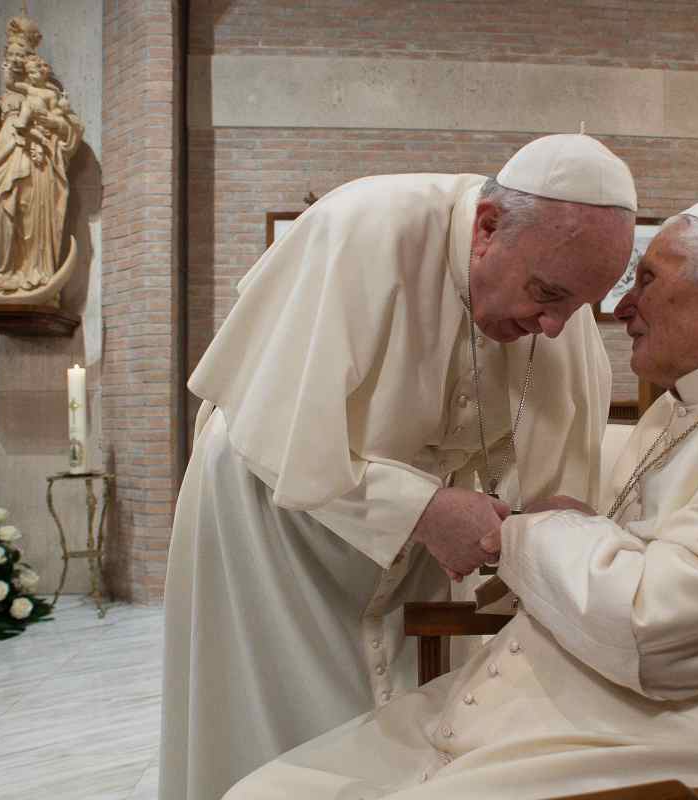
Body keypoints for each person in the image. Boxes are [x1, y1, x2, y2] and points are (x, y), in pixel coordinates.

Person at [223, 195, 698, 799]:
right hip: (573, 710)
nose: (620, 306)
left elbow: (656, 624)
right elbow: (619, 550)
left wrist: (515, 534)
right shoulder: (681, 406)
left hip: (687, 741)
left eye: (645, 278)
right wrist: (576, 530)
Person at [160, 135, 638, 800]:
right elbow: (275, 428)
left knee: (400, 729)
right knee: (277, 725)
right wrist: (425, 508)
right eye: (547, 294)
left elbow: (557, 467)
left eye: (578, 307)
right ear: (488, 228)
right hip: (272, 524)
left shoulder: (553, 296)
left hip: (411, 536)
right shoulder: (361, 228)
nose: (554, 327)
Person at [0, 24, 83, 294]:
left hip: (36, 161)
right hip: (3, 159)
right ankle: (7, 268)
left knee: (28, 216)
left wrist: (53, 124)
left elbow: (71, 130)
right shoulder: (9, 95)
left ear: (29, 58)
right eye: (10, 53)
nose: (13, 58)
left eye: (18, 53)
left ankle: (29, 274)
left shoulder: (47, 91)